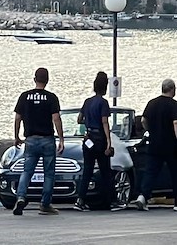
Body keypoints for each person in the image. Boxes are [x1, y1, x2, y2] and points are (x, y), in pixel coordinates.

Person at [13, 67, 64, 216]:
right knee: (49, 174)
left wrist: (16, 136)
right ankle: (45, 204)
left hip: (30, 139)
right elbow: (56, 119)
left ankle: (21, 197)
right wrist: (61, 138)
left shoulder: (24, 96)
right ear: (47, 80)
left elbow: (17, 118)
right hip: (47, 139)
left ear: (34, 79)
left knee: (27, 171)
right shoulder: (51, 97)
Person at [74, 72, 126, 211]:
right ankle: (112, 200)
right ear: (105, 87)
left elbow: (79, 119)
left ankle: (80, 199)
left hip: (89, 138)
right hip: (99, 138)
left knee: (87, 170)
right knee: (105, 171)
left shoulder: (87, 102)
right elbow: (105, 122)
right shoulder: (103, 103)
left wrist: (89, 122)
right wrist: (109, 141)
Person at [135, 78, 177, 211]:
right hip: (171, 145)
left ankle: (143, 196)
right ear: (173, 89)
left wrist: (149, 130)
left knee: (150, 172)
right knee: (175, 172)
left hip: (154, 143)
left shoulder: (151, 103)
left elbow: (143, 120)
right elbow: (176, 123)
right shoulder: (173, 105)